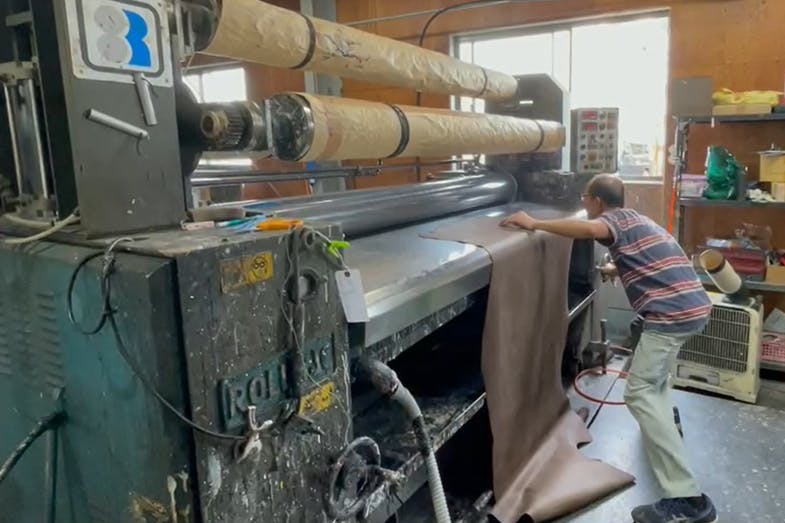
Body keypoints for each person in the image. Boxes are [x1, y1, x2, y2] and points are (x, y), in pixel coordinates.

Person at [500, 174, 717, 523]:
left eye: (585, 198)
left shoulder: (611, 221)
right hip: (691, 307)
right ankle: (666, 426)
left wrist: (534, 223)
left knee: (639, 392)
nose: (584, 204)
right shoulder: (635, 219)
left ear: (597, 201)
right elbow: (650, 256)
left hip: (671, 315)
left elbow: (589, 230)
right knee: (655, 383)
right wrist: (617, 268)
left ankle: (687, 499)